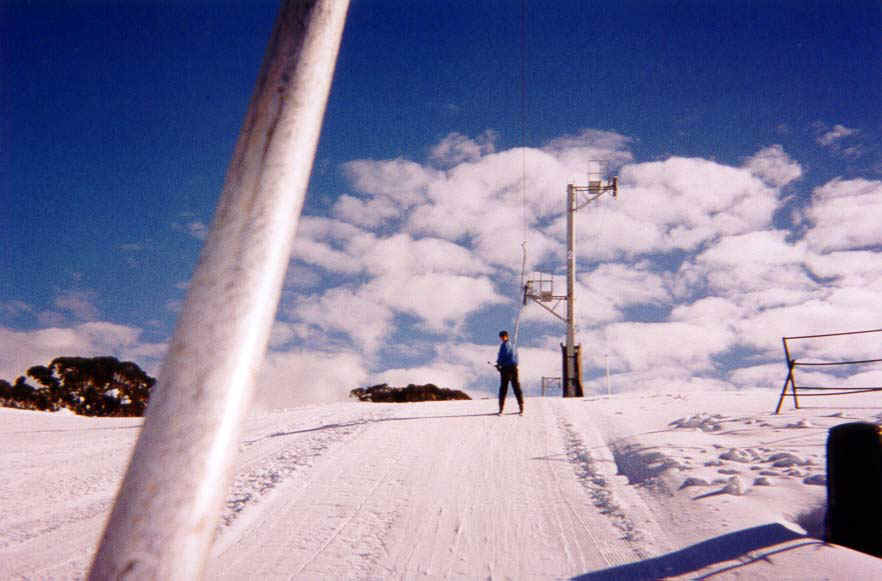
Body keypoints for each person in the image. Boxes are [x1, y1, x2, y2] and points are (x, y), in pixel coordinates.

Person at [495, 330, 524, 415]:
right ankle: (521, 406)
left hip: (506, 368)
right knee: (516, 387)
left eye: (502, 337)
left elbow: (503, 355)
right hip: (513, 368)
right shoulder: (514, 345)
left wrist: (499, 364)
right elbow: (516, 357)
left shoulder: (504, 345)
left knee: (504, 388)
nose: (502, 338)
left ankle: (501, 409)